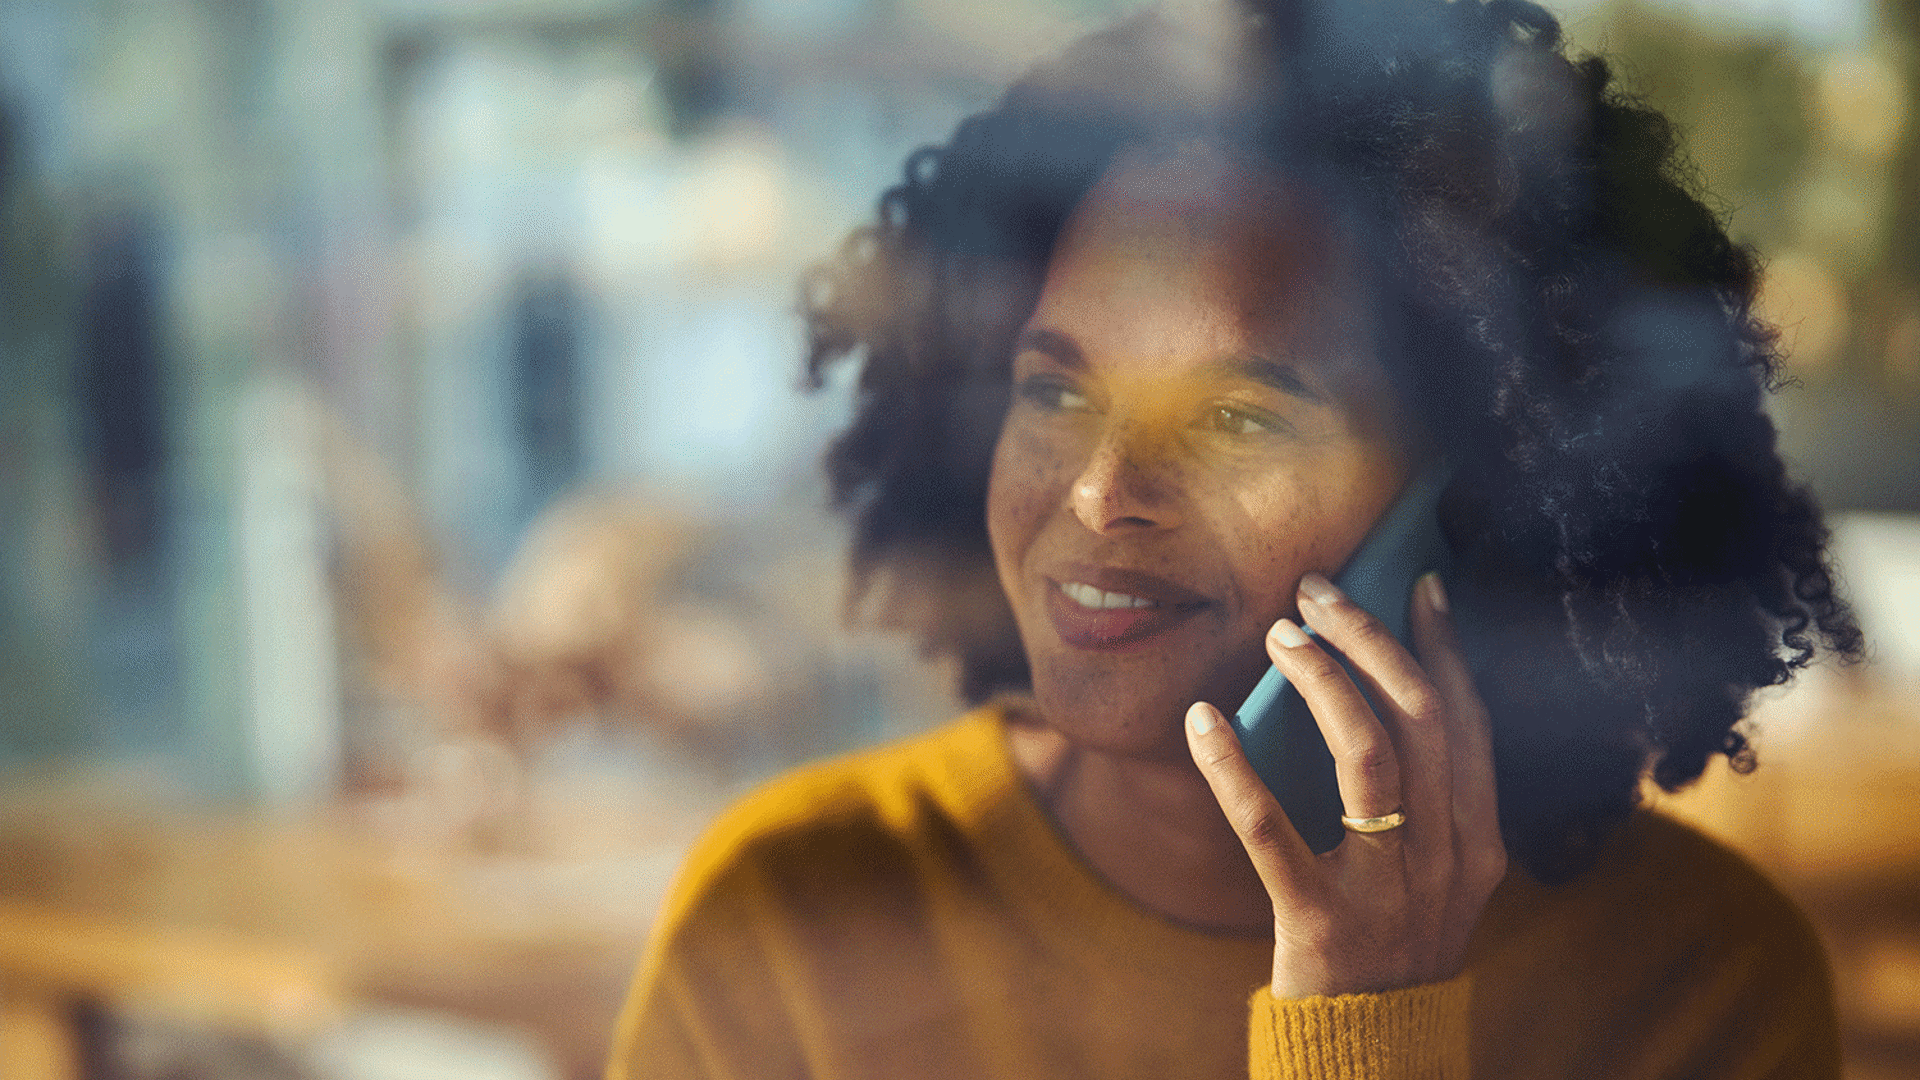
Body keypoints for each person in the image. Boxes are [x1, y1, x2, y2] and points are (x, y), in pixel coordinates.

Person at [608, 1, 1863, 1076]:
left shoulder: (1697, 986)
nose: (1102, 495)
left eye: (1237, 418)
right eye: (1056, 391)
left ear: (1484, 491)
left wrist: (1369, 1029)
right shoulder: (791, 912)